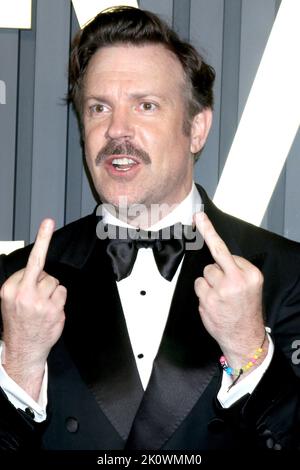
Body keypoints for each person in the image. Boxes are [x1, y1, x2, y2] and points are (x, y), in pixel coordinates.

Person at [0, 6, 300, 452]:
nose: (117, 130)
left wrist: (251, 352)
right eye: (99, 107)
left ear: (196, 128)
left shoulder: (287, 273)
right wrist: (20, 364)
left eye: (145, 105)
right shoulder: (16, 284)